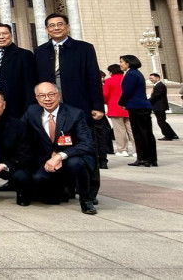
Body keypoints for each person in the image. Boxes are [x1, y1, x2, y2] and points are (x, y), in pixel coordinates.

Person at [35, 13, 106, 192]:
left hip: (78, 107)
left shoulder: (84, 49)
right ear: (46, 30)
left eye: (60, 24)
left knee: (86, 148)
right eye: (52, 25)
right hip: (51, 109)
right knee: (57, 147)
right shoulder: (40, 51)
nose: (56, 28)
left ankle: (90, 189)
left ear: (67, 27)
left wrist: (97, 105)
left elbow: (93, 78)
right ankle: (65, 187)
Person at [22, 82, 97, 214]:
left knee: (77, 164)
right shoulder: (32, 111)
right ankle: (64, 189)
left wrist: (60, 156)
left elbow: (87, 144)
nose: (47, 99)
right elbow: (17, 129)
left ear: (58, 95)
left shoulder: (75, 114)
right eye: (42, 96)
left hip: (70, 157)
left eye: (51, 95)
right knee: (41, 183)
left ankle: (86, 200)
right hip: (46, 159)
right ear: (37, 98)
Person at [0, 23, 37, 119]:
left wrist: (28, 111)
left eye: (4, 33)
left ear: (11, 35)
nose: (1, 37)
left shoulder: (25, 55)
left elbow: (30, 85)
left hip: (17, 108)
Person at [120, 55, 157, 167]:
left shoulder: (131, 74)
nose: (120, 64)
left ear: (128, 63)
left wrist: (121, 102)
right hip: (142, 107)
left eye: (122, 62)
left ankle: (143, 158)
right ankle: (151, 159)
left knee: (140, 133)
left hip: (136, 107)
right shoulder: (137, 73)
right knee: (146, 133)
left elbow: (127, 91)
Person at [103, 64, 134, 157]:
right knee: (132, 130)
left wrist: (105, 102)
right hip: (129, 108)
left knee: (119, 131)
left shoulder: (109, 81)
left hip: (115, 108)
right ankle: (138, 150)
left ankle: (122, 150)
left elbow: (105, 94)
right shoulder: (127, 79)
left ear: (111, 72)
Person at [149, 73, 179, 141]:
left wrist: (148, 101)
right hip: (158, 106)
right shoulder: (157, 85)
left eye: (152, 78)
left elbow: (156, 96)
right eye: (150, 78)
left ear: (157, 78)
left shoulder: (159, 85)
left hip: (159, 106)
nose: (151, 79)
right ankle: (172, 134)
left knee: (161, 122)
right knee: (162, 121)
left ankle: (167, 135)